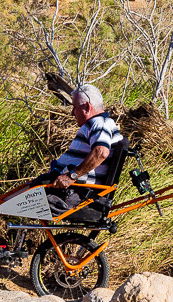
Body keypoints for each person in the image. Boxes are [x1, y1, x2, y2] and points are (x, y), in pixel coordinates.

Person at [34, 83, 124, 218]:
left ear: (87, 107)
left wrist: (71, 177)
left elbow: (101, 152)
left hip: (74, 193)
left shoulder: (100, 123)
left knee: (11, 204)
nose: (72, 112)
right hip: (68, 189)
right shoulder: (98, 124)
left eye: (75, 107)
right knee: (12, 201)